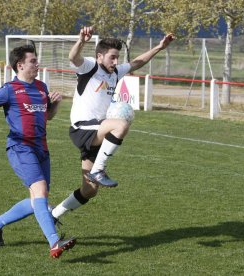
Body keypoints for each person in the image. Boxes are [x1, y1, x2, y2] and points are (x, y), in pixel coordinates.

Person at [51, 26, 174, 220]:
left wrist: (159, 47)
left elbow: (136, 63)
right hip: (82, 127)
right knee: (121, 125)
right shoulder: (90, 67)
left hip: (96, 130)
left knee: (90, 190)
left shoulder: (115, 72)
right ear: (100, 56)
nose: (116, 62)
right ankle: (98, 170)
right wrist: (82, 41)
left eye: (117, 57)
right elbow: (73, 58)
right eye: (112, 57)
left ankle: (54, 214)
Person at [0, 44, 76, 258]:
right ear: (20, 65)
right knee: (40, 191)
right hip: (20, 146)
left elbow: (47, 116)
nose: (37, 64)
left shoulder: (41, 87)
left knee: (38, 200)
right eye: (33, 61)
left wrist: (55, 104)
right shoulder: (9, 89)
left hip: (41, 148)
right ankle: (55, 242)